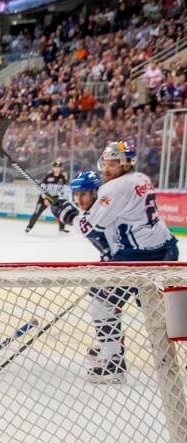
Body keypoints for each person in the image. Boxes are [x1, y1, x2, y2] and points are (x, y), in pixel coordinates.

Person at [53, 142, 179, 383]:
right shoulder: (140, 178)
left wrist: (65, 214)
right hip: (165, 248)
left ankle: (113, 363)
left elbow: (88, 226)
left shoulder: (114, 189)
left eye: (114, 163)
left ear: (126, 163)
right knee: (155, 311)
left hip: (141, 257)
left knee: (102, 300)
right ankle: (146, 356)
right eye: (106, 163)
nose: (108, 168)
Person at [25, 158, 69, 233]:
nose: (57, 169)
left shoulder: (62, 178)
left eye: (58, 167)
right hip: (44, 197)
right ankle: (29, 226)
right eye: (55, 167)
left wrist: (59, 198)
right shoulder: (48, 176)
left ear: (61, 168)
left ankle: (61, 228)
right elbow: (42, 187)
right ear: (53, 168)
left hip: (55, 198)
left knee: (61, 211)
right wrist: (45, 197)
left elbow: (62, 190)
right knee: (37, 212)